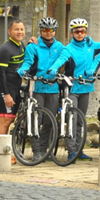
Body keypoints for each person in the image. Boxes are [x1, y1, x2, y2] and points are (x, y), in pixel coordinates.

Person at [46, 18, 100, 161]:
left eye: (82, 31)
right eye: (76, 31)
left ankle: (79, 150)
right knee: (72, 119)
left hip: (86, 87)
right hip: (71, 88)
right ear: (72, 33)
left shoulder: (91, 46)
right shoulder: (69, 49)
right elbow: (60, 60)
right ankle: (71, 150)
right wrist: (54, 68)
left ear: (86, 32)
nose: (79, 33)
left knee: (80, 120)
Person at [17, 17, 65, 162]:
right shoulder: (33, 46)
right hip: (36, 87)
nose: (48, 33)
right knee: (35, 120)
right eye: (45, 30)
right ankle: (37, 151)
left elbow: (68, 57)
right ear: (40, 30)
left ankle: (45, 150)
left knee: (50, 121)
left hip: (53, 88)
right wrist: (23, 70)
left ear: (55, 31)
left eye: (51, 30)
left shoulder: (60, 47)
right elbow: (28, 62)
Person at [0, 19, 28, 149]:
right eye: (16, 29)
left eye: (21, 29)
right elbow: (1, 73)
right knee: (5, 120)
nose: (19, 32)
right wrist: (7, 94)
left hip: (15, 88)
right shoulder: (5, 48)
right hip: (5, 89)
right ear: (9, 31)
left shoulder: (21, 46)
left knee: (10, 119)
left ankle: (4, 150)